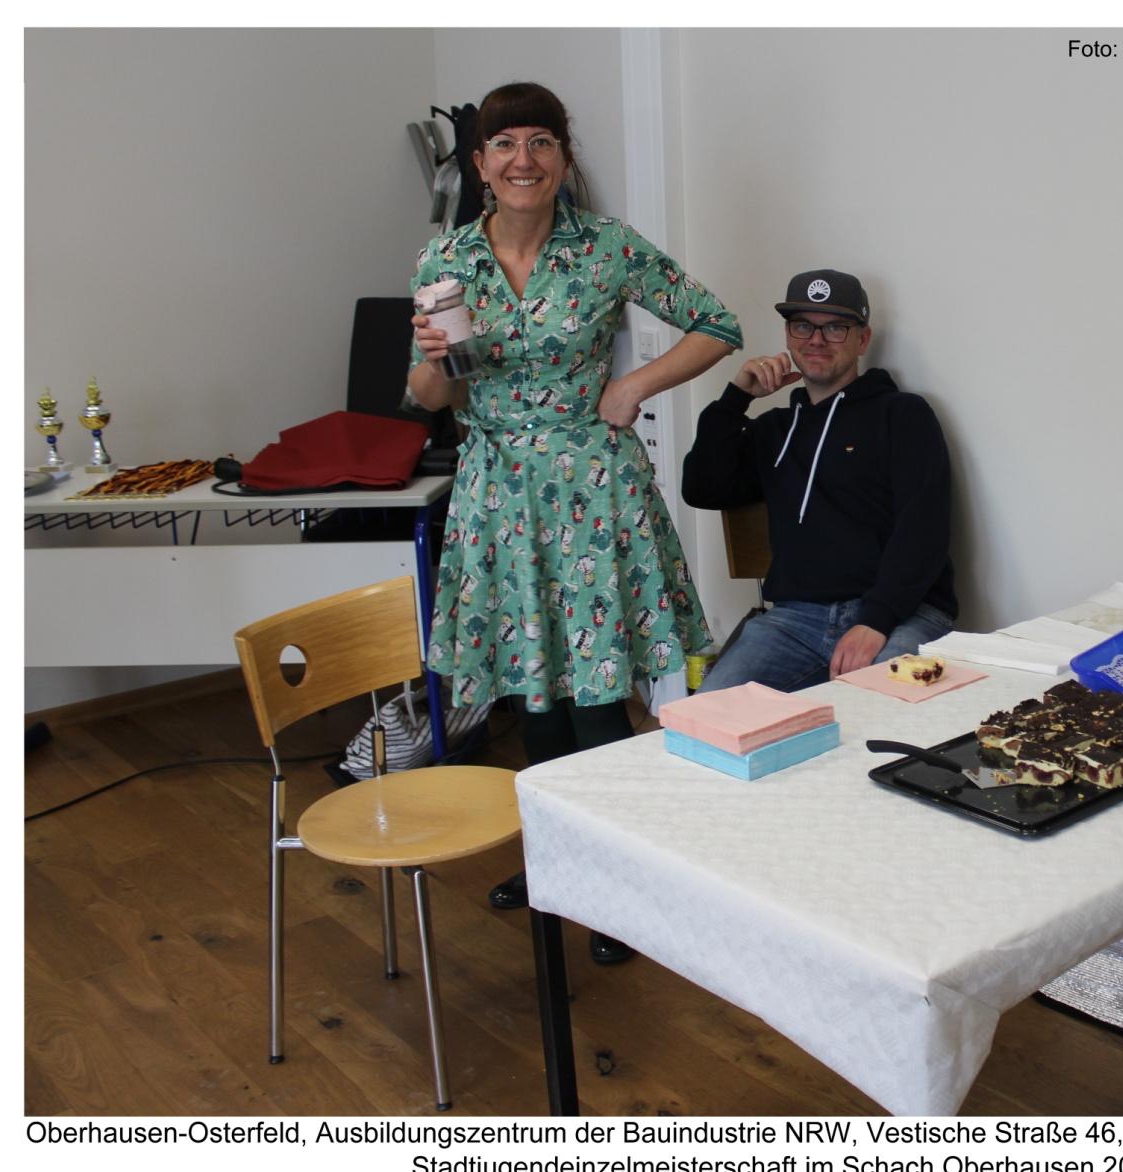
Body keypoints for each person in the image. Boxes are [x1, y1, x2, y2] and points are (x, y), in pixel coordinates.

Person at [409, 82, 741, 961]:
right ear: (479, 164)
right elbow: (430, 396)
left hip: (592, 489)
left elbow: (717, 324)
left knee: (598, 690)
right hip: (497, 494)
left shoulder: (605, 248)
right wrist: (436, 360)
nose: (523, 159)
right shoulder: (445, 261)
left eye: (541, 142)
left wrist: (632, 386)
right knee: (535, 688)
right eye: (504, 144)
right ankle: (558, 859)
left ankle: (622, 881)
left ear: (562, 158)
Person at [682, 269, 956, 692]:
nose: (816, 340)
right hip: (794, 621)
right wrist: (736, 397)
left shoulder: (903, 415)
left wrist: (875, 621)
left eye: (835, 328)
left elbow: (924, 529)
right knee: (704, 716)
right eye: (803, 326)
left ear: (862, 339)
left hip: (901, 613)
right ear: (789, 335)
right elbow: (702, 488)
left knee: (885, 708)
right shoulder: (775, 429)